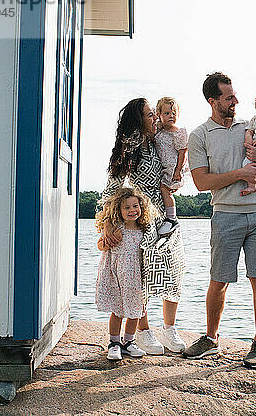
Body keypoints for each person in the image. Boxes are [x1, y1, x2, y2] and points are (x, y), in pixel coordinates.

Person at [182, 72, 256, 369]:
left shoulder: (250, 127)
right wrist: (239, 174)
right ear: (213, 101)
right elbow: (201, 182)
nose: (236, 101)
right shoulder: (199, 135)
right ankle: (211, 339)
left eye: (235, 95)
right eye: (228, 97)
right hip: (225, 215)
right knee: (219, 280)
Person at [99, 98, 187, 355]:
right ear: (139, 121)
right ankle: (143, 331)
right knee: (144, 278)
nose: (154, 118)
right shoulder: (131, 147)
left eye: (153, 114)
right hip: (143, 220)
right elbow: (111, 189)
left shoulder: (161, 138)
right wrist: (107, 223)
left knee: (175, 272)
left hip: (168, 217)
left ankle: (169, 329)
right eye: (150, 115)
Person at [95, 187, 158, 360]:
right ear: (119, 210)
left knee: (135, 311)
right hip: (116, 275)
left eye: (135, 206)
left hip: (136, 278)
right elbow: (100, 245)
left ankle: (129, 342)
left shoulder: (144, 229)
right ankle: (114, 343)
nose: (132, 210)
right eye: (127, 207)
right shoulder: (116, 228)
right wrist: (109, 242)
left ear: (141, 207)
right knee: (118, 311)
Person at [154, 97, 189, 236]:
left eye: (174, 113)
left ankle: (172, 218)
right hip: (163, 166)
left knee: (165, 189)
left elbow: (183, 152)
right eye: (167, 113)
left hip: (173, 167)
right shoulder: (159, 129)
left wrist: (177, 171)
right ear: (159, 115)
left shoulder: (178, 132)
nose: (171, 116)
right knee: (162, 190)